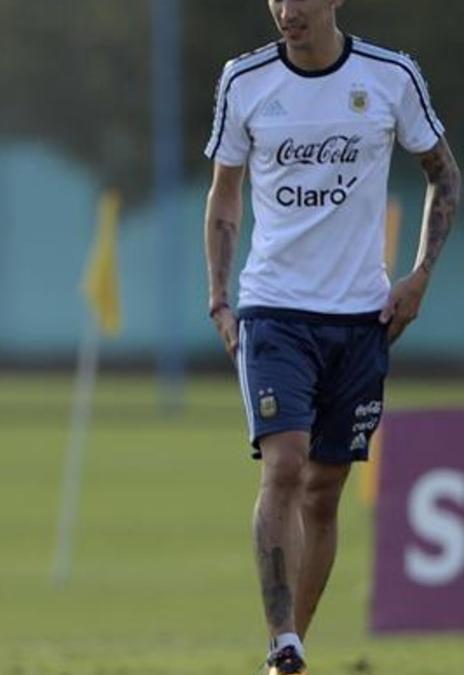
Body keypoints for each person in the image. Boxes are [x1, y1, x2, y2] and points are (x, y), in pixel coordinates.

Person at [203, 1, 459, 673]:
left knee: (324, 488)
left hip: (359, 317)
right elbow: (225, 194)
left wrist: (420, 276)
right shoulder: (245, 81)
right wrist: (219, 297)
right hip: (273, 310)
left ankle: (291, 648)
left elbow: (444, 174)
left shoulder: (390, 77)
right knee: (283, 465)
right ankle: (283, 639)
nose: (287, 10)